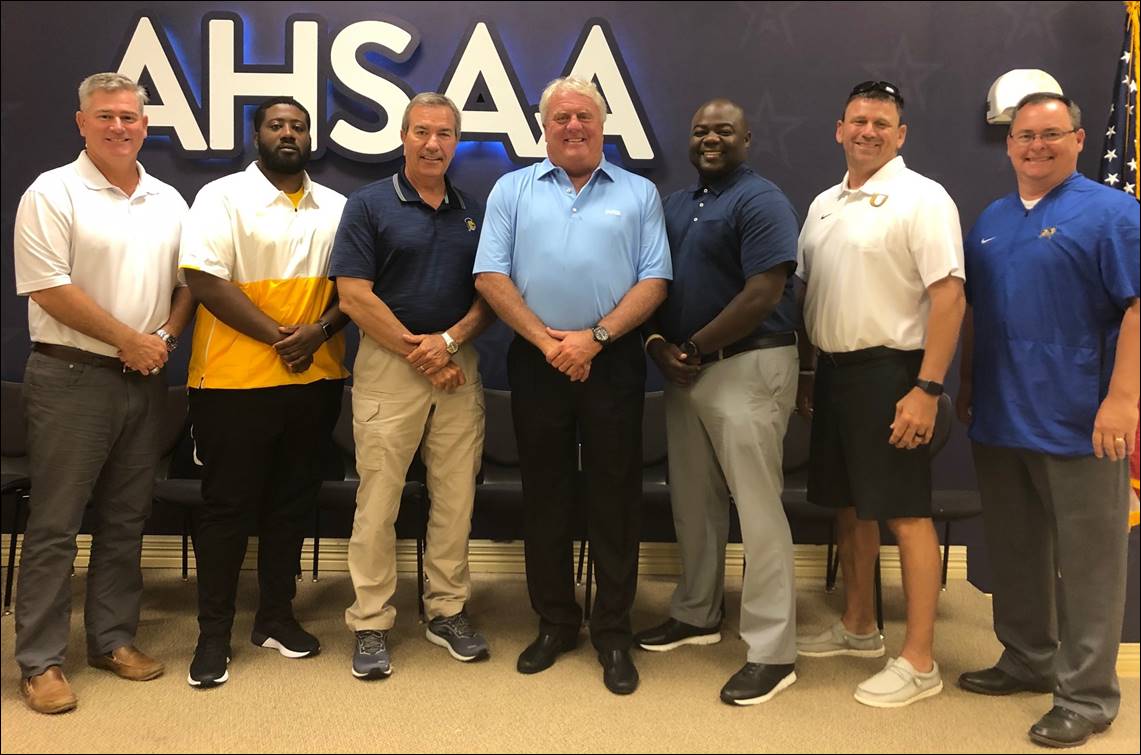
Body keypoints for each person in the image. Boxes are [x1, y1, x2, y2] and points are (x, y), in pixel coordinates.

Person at [473, 76, 672, 695]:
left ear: (603, 123)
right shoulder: (512, 189)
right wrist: (548, 342)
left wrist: (595, 339)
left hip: (611, 361)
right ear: (543, 126)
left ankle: (612, 631)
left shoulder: (639, 193)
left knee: (615, 497)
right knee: (547, 494)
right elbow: (490, 275)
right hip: (537, 360)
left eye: (583, 116)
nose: (572, 127)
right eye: (560, 118)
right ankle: (555, 621)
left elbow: (654, 281)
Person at [956, 92, 1139, 748]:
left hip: (1081, 421)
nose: (1036, 145)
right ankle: (1026, 657)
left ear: (1078, 138)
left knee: (1089, 562)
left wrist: (1122, 401)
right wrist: (969, 383)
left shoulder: (1114, 213)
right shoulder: (989, 221)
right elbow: (976, 311)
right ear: (1007, 145)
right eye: (1024, 135)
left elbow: (1137, 307)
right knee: (1015, 550)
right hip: (1001, 417)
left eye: (1050, 134)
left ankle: (1087, 696)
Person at [12, 72, 193, 714]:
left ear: (145, 126)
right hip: (71, 376)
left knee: (126, 518)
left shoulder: (168, 198)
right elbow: (47, 286)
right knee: (57, 523)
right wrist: (129, 339)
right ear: (81, 122)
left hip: (147, 378)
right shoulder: (53, 192)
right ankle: (40, 660)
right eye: (106, 116)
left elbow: (190, 280)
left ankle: (112, 638)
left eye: (129, 117)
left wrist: (165, 337)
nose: (119, 126)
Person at [795, 80, 965, 708]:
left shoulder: (922, 198)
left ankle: (919, 660)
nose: (868, 131)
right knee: (847, 505)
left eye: (882, 122)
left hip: (895, 374)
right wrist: (811, 373)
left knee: (904, 512)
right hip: (835, 376)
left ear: (901, 134)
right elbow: (810, 295)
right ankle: (860, 627)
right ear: (839, 128)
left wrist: (927, 388)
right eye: (858, 120)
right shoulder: (822, 205)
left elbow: (950, 297)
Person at [633, 99, 801, 705]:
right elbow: (652, 285)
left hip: (747, 365)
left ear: (747, 139)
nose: (710, 138)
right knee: (694, 503)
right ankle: (697, 613)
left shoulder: (761, 200)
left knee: (758, 511)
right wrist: (657, 344)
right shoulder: (678, 204)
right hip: (686, 371)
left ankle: (772, 650)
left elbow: (765, 292)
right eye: (700, 128)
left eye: (723, 130)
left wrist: (693, 346)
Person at [179, 96, 349, 689]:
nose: (288, 133)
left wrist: (316, 335)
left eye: (298, 126)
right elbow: (202, 279)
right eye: (276, 124)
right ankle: (213, 636)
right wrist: (281, 339)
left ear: (310, 137)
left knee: (291, 507)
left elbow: (351, 289)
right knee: (227, 511)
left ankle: (276, 618)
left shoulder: (337, 206)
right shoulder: (221, 197)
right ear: (256, 134)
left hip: (315, 381)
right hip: (233, 384)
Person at [330, 93, 495, 679]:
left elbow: (490, 296)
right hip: (388, 365)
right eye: (422, 132)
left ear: (456, 142)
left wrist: (447, 345)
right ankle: (371, 621)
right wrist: (424, 355)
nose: (433, 144)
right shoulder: (369, 204)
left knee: (456, 498)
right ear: (402, 137)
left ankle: (446, 611)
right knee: (378, 501)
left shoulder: (475, 211)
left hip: (458, 364)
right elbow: (353, 296)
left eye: (445, 134)